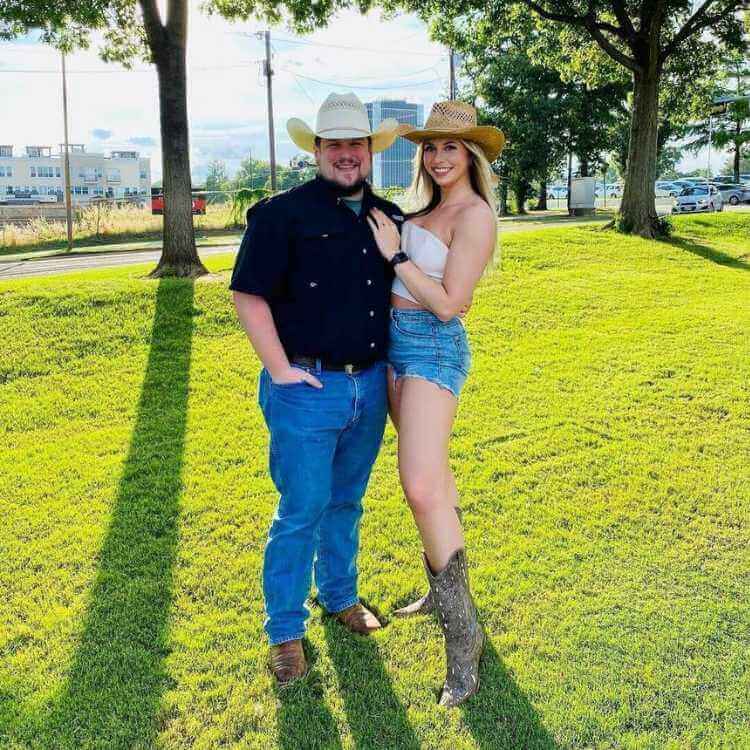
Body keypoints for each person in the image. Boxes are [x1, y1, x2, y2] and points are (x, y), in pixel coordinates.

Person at [230, 92, 404, 686]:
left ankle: (340, 597)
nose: (347, 155)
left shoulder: (388, 217)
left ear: (368, 151)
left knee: (346, 502)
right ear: (318, 150)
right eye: (335, 144)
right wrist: (279, 369)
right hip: (306, 385)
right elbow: (248, 294)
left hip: (371, 387)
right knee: (300, 508)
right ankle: (284, 632)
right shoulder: (279, 214)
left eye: (357, 143)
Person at [366, 100, 505, 707]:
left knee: (419, 484)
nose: (438, 156)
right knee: (436, 481)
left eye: (451, 147)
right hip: (390, 346)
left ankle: (462, 635)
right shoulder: (422, 209)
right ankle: (445, 590)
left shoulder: (474, 215)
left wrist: (396, 253)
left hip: (432, 348)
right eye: (430, 146)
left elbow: (450, 303)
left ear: (471, 155)